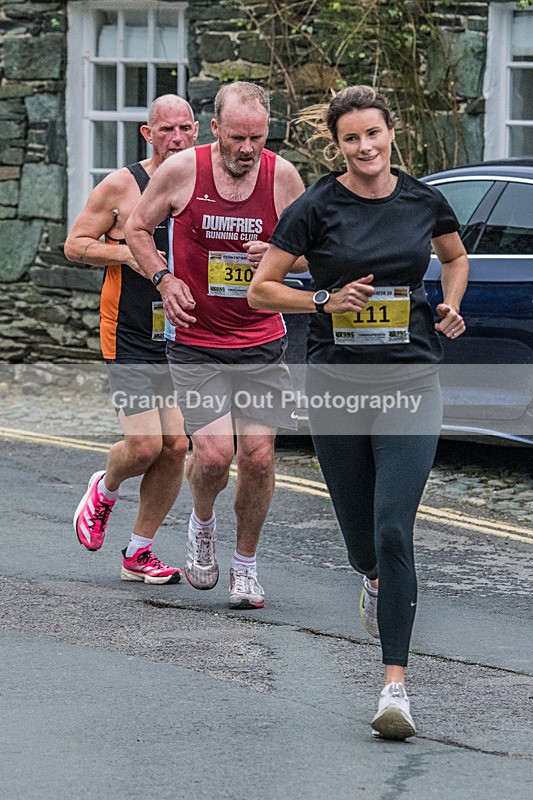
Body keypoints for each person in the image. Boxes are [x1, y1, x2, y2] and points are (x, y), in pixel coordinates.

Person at [248, 85, 468, 738]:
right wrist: (321, 301)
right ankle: (371, 577)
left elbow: (453, 258)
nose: (364, 146)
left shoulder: (423, 200)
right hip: (336, 387)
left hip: (410, 379)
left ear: (390, 131)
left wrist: (451, 302)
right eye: (351, 138)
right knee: (363, 543)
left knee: (395, 528)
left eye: (373, 133)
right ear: (336, 144)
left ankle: (394, 688)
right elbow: (262, 289)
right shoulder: (316, 207)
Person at [125, 81, 306, 609]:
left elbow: (312, 254)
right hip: (197, 342)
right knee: (211, 455)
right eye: (236, 137)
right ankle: (201, 526)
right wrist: (163, 278)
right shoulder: (182, 171)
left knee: (258, 457)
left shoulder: (283, 177)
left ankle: (245, 567)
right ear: (215, 129)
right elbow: (137, 228)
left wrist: (279, 256)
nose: (247, 149)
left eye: (257, 137)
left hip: (261, 341)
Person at [65, 94, 199, 584]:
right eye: (166, 130)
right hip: (128, 331)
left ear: (198, 129)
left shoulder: (201, 182)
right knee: (143, 447)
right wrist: (130, 253)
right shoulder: (124, 184)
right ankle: (105, 484)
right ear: (148, 134)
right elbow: (75, 243)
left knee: (176, 447)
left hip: (180, 331)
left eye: (185, 128)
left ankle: (138, 553)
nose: (177, 138)